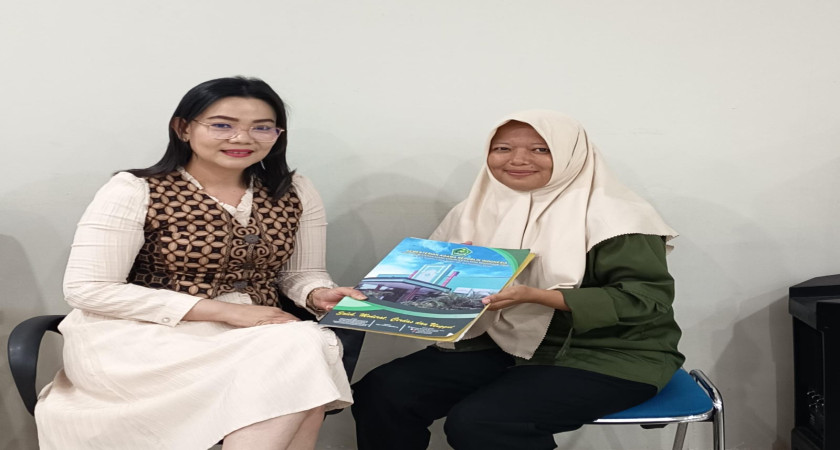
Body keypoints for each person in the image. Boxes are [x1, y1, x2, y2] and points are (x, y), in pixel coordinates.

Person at [35, 77, 365, 450]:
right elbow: (88, 288)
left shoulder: (294, 190)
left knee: (300, 347)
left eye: (262, 127)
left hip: (257, 335)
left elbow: (300, 273)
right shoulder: (135, 189)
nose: (242, 138)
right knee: (302, 350)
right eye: (222, 125)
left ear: (278, 134)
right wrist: (225, 311)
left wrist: (316, 294)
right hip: (143, 335)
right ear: (183, 128)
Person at [351, 110, 684, 450]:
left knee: (482, 423)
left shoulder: (618, 217)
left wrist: (537, 296)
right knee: (383, 392)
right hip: (500, 343)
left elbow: (645, 301)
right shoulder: (475, 209)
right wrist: (377, 299)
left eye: (541, 149)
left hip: (606, 354)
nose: (518, 160)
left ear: (571, 154)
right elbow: (433, 289)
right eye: (503, 148)